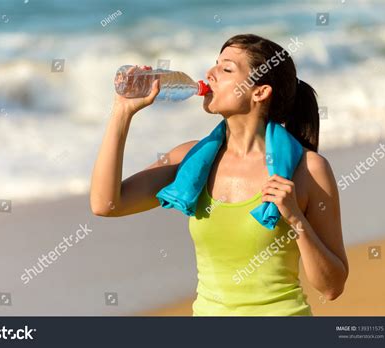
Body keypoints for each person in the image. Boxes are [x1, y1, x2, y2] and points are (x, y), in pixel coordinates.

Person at [90, 34, 349, 316]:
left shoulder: (308, 170)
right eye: (215, 64)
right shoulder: (189, 160)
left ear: (259, 92)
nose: (210, 74)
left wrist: (296, 219)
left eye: (226, 69)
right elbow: (105, 204)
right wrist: (122, 111)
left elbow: (332, 287)